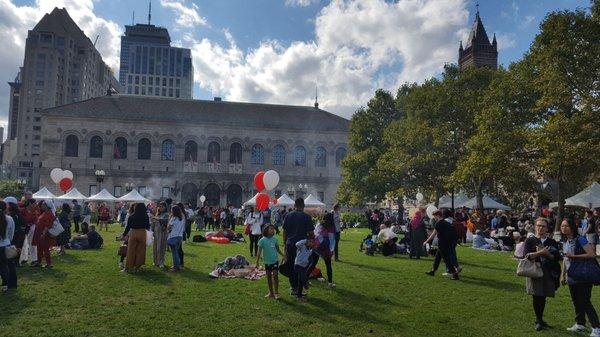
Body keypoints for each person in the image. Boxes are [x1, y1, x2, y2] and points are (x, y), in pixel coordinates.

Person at [560, 218, 600, 336]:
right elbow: (565, 259)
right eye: (562, 226)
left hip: (583, 275)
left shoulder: (580, 239)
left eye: (566, 225)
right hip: (571, 276)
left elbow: (592, 254)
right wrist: (563, 275)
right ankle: (580, 324)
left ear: (572, 227)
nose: (563, 228)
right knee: (576, 301)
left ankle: (596, 327)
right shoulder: (565, 242)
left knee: (585, 301)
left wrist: (574, 256)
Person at [524, 217, 561, 331]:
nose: (540, 228)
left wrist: (548, 255)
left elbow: (557, 257)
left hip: (549, 272)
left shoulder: (552, 241)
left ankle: (540, 320)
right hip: (535, 271)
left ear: (547, 228)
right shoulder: (530, 240)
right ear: (535, 227)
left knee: (543, 296)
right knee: (536, 296)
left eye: (543, 226)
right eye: (538, 225)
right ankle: (538, 320)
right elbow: (526, 256)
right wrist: (540, 252)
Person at [282, 198, 315, 296]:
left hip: (290, 244)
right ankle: (300, 286)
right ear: (303, 206)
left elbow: (284, 231)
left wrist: (285, 243)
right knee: (301, 267)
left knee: (291, 266)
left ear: (294, 205)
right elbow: (311, 233)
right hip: (302, 246)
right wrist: (312, 240)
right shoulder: (306, 217)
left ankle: (294, 287)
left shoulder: (288, 215)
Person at [424, 209, 460, 280]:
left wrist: (426, 241)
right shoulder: (445, 222)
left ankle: (455, 274)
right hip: (447, 243)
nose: (434, 218)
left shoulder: (438, 223)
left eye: (434, 216)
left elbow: (433, 234)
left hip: (442, 243)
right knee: (437, 258)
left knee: (446, 260)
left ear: (437, 215)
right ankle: (433, 271)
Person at [308, 212, 336, 287]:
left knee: (313, 264)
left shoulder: (319, 224)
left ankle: (305, 279)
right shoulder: (331, 227)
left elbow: (315, 233)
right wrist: (331, 250)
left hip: (316, 247)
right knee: (328, 265)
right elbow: (332, 239)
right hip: (325, 249)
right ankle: (330, 282)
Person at [255, 224, 283, 299]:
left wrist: (283, 255)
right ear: (266, 230)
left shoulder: (275, 239)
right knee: (269, 277)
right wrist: (257, 262)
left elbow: (278, 249)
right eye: (271, 229)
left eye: (273, 229)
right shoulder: (262, 240)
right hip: (267, 262)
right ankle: (271, 293)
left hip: (275, 261)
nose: (272, 230)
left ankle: (276, 293)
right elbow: (259, 252)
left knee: (275, 275)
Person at [122, 203, 150, 272]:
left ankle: (128, 267)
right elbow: (147, 226)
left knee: (131, 251)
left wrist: (124, 234)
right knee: (140, 251)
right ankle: (138, 267)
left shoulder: (132, 216)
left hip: (133, 233)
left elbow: (128, 227)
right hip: (142, 233)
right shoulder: (146, 216)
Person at [32, 200, 56, 268]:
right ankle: (39, 262)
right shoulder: (45, 212)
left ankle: (49, 264)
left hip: (45, 234)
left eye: (43, 205)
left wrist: (43, 233)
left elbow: (47, 225)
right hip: (41, 233)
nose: (41, 206)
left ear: (47, 206)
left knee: (45, 248)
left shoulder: (49, 213)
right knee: (40, 248)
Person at [0, 201, 17, 291]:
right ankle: (12, 284)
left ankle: (5, 283)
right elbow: (11, 233)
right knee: (10, 266)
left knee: (2, 266)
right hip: (7, 244)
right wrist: (8, 241)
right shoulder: (9, 219)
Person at [294, 236, 316, 301]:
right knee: (303, 278)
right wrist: (305, 240)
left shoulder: (310, 250)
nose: (312, 243)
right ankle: (305, 283)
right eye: (310, 241)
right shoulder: (301, 247)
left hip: (304, 267)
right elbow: (297, 244)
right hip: (298, 265)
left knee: (300, 281)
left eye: (313, 242)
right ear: (307, 241)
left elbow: (308, 257)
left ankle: (299, 295)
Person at [167, 205, 185, 272]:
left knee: (174, 253)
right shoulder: (182, 218)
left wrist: (169, 219)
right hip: (180, 236)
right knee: (176, 252)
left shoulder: (173, 218)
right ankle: (177, 265)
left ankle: (176, 267)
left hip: (173, 236)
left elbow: (168, 227)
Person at [151, 202, 169, 268]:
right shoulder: (158, 214)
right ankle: (155, 261)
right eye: (160, 206)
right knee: (155, 248)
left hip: (162, 233)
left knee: (161, 248)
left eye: (162, 206)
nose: (160, 208)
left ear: (165, 207)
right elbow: (154, 223)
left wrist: (157, 219)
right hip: (156, 233)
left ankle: (161, 262)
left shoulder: (166, 214)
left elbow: (166, 221)